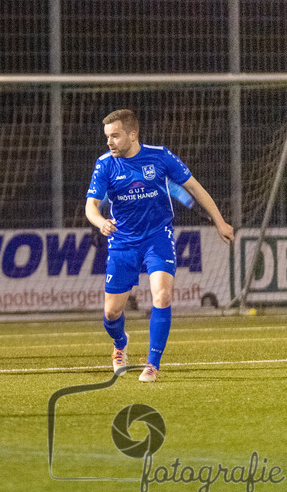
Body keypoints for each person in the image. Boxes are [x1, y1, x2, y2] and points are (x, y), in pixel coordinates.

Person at [85, 108, 234, 383]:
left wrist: (220, 222)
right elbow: (91, 206)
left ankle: (152, 364)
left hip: (157, 237)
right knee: (111, 312)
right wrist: (99, 222)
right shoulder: (105, 164)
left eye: (115, 136)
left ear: (132, 135)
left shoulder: (160, 156)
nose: (109, 142)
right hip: (122, 241)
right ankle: (120, 343)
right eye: (107, 136)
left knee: (162, 297)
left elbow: (194, 188)